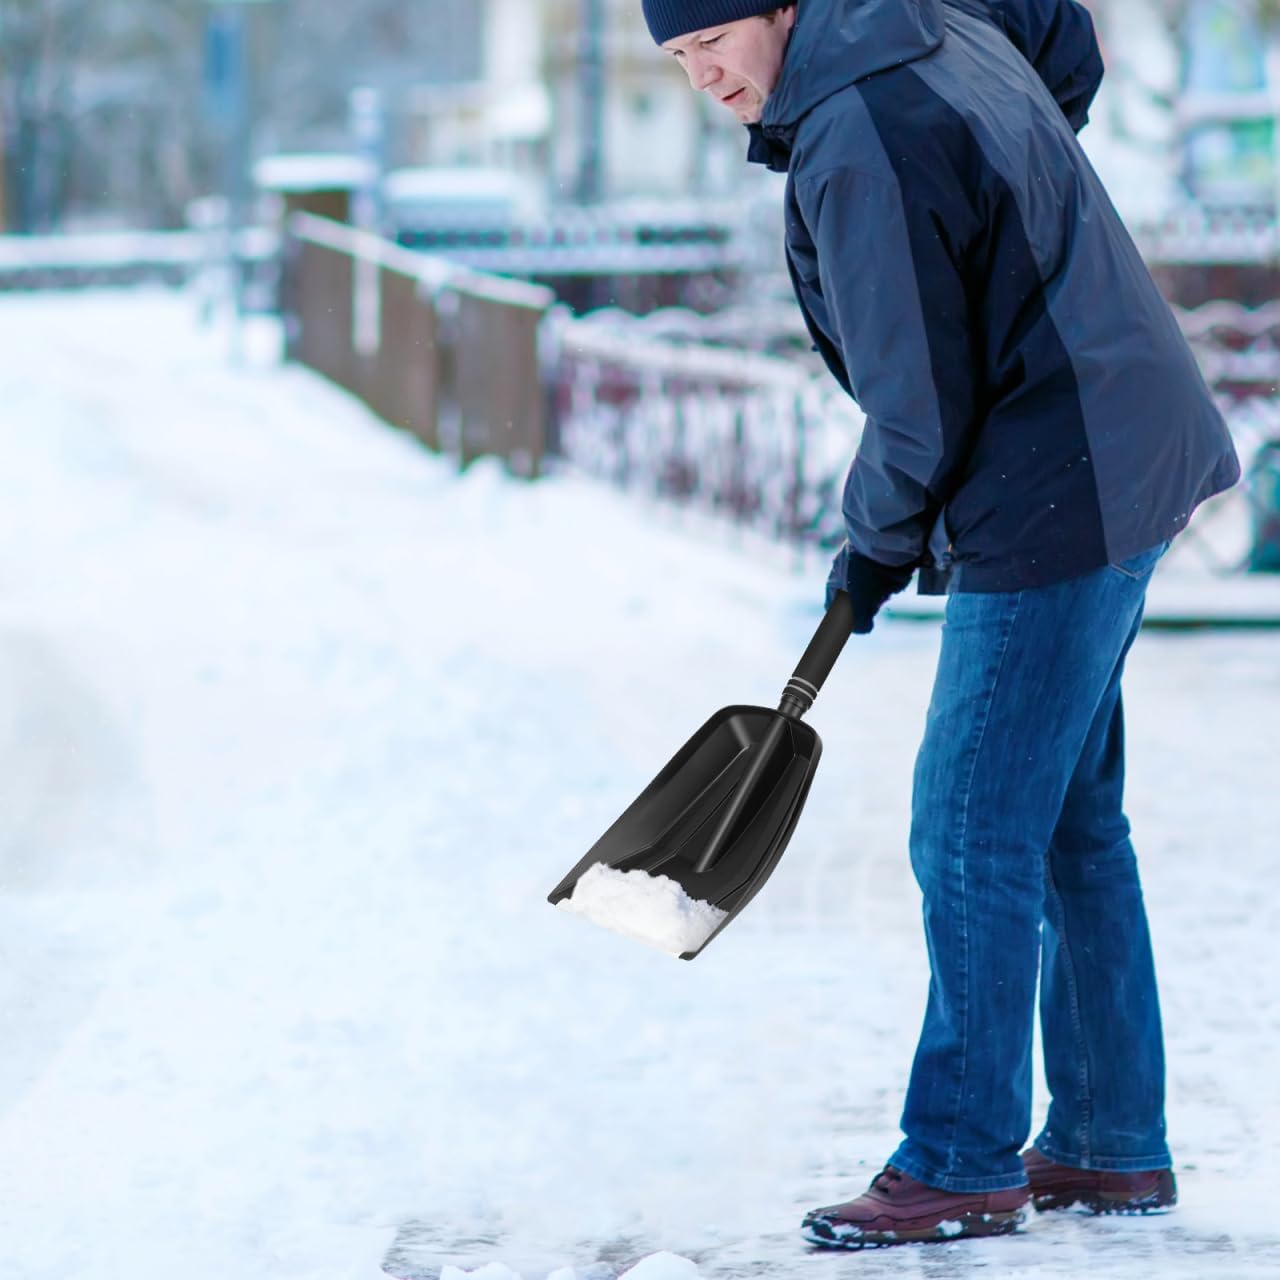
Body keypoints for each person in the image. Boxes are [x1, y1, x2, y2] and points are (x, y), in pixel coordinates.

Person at [642, 0, 1241, 1250]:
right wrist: (1019, 208)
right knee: (1067, 817)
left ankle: (962, 1155)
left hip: (1060, 474)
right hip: (1113, 434)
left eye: (710, 43)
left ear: (780, 10)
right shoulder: (915, 29)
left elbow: (914, 406)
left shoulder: (856, 129)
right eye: (679, 60)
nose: (700, 78)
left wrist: (868, 548)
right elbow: (1060, 34)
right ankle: (1104, 1138)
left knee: (969, 824)